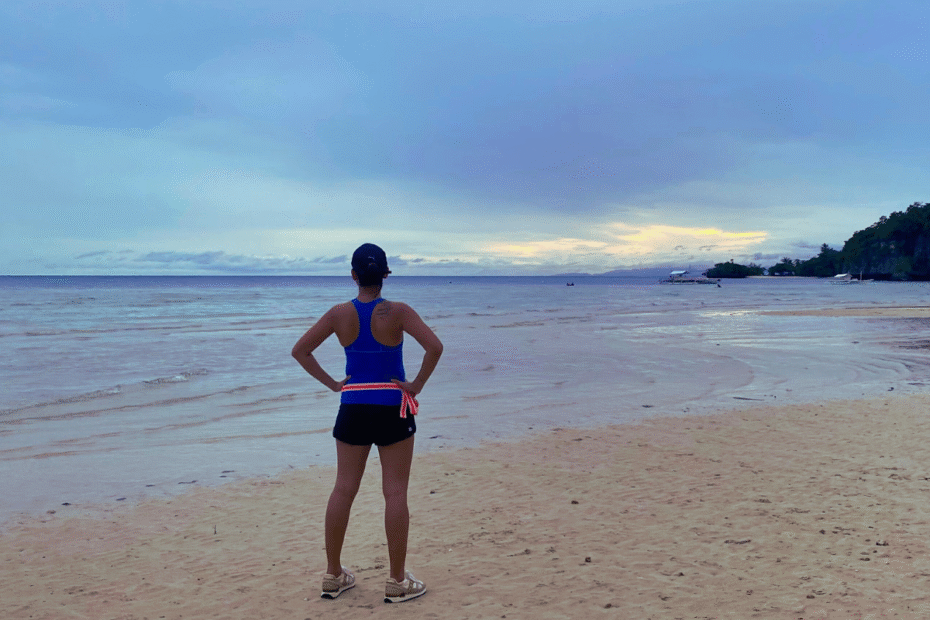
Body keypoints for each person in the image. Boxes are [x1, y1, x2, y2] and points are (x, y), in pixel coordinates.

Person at [291, 243, 443, 603]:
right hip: (392, 406)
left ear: (354, 275)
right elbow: (434, 347)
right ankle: (396, 581)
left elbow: (300, 351)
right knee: (395, 492)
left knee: (343, 489)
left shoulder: (339, 313)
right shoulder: (399, 312)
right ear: (386, 275)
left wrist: (333, 384)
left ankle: (333, 575)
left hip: (354, 407)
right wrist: (417, 385)